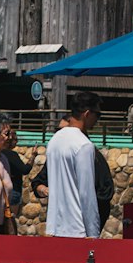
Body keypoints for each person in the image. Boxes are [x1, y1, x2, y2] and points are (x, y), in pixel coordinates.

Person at [43, 91, 102, 238]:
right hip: (77, 230)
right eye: (97, 115)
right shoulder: (83, 145)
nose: (98, 120)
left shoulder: (54, 140)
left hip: (53, 227)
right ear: (87, 114)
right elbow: (86, 193)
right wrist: (94, 234)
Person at [0, 122, 33, 215]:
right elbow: (24, 170)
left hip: (2, 190)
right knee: (11, 219)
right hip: (13, 190)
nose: (17, 142)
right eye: (15, 140)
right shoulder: (11, 154)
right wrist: (33, 157)